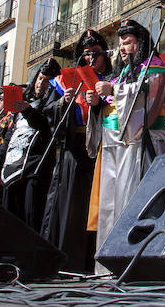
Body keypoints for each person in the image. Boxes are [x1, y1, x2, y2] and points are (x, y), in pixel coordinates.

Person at [85, 20, 165, 269]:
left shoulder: (155, 68)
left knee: (132, 202)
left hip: (138, 143)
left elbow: (150, 102)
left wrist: (113, 88)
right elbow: (112, 102)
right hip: (112, 143)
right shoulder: (122, 72)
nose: (122, 48)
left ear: (141, 43)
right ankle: (106, 266)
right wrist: (95, 103)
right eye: (120, 44)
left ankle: (133, 264)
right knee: (109, 205)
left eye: (128, 43)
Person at [39, 30, 103, 273]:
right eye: (86, 54)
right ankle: (68, 262)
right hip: (72, 150)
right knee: (70, 209)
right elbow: (46, 112)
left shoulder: (109, 79)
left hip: (99, 148)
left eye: (96, 54)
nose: (90, 59)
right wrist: (64, 102)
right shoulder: (64, 81)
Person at [0, 58, 62, 231]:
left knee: (30, 221)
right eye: (40, 78)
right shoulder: (25, 102)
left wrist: (28, 111)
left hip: (34, 169)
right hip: (11, 169)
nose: (41, 84)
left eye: (47, 81)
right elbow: (10, 135)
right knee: (9, 222)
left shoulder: (55, 104)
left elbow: (48, 129)